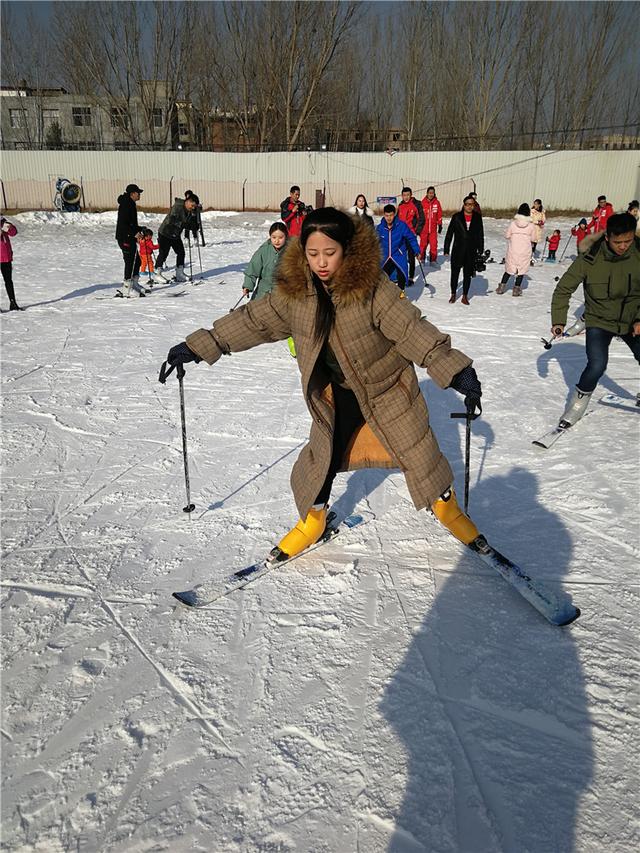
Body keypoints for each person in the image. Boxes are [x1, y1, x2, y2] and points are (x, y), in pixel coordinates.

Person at [164, 207, 483, 561]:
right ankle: (313, 519)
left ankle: (446, 506)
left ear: (346, 248)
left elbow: (412, 330)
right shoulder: (296, 295)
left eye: (330, 253)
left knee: (419, 450)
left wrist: (455, 370)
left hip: (387, 388)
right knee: (323, 460)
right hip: (337, 392)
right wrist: (200, 344)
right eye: (313, 254)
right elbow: (254, 320)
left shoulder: (372, 289)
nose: (321, 262)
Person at [549, 212, 640, 427]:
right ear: (607, 237)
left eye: (628, 241)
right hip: (599, 320)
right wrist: (559, 320)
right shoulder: (589, 259)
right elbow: (563, 289)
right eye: (618, 242)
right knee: (597, 365)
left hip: (631, 319)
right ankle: (577, 405)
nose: (624, 246)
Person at [443, 195, 484, 305]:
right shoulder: (456, 217)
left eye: (472, 204)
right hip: (458, 249)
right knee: (455, 273)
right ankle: (453, 294)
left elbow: (480, 233)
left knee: (467, 274)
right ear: (464, 205)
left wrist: (480, 248)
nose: (470, 207)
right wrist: (446, 248)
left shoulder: (477, 217)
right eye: (468, 204)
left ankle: (465, 295)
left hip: (471, 250)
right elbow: (450, 233)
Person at [376, 203, 420, 296]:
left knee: (402, 275)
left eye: (391, 215)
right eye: (387, 215)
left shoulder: (401, 225)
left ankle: (401, 295)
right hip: (386, 256)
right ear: (384, 215)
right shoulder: (380, 228)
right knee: (383, 277)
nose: (389, 218)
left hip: (398, 255)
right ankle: (385, 297)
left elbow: (411, 238)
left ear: (394, 214)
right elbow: (374, 242)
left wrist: (417, 251)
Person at [156, 194, 199, 282]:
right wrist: (183, 224)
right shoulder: (178, 206)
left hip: (175, 234)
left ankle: (179, 273)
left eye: (194, 206)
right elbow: (171, 220)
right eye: (192, 205)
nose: (193, 208)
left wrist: (193, 225)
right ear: (188, 202)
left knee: (181, 252)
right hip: (165, 232)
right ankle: (157, 273)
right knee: (163, 253)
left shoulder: (190, 211)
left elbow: (188, 222)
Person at [242, 222, 288, 301]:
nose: (277, 241)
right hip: (263, 292)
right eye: (274, 237)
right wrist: (247, 286)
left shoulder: (291, 251)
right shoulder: (263, 251)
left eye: (280, 237)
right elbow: (253, 269)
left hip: (283, 294)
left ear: (286, 237)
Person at [496, 203, 535, 296]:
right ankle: (516, 290)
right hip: (525, 250)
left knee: (509, 269)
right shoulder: (531, 225)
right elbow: (533, 238)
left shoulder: (513, 224)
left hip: (513, 249)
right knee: (521, 270)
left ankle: (501, 287)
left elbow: (507, 235)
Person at [115, 183, 145, 297]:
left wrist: (140, 229)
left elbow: (131, 223)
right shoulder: (126, 204)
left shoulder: (130, 203)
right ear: (132, 194)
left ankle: (134, 284)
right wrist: (134, 233)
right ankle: (127, 288)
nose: (139, 195)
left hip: (129, 236)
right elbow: (123, 224)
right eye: (138, 193)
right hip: (124, 238)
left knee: (137, 261)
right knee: (130, 262)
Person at [397, 187, 424, 284]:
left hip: (411, 234)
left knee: (411, 256)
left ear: (411, 195)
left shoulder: (416, 204)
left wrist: (416, 231)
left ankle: (411, 276)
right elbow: (397, 220)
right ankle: (402, 274)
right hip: (401, 235)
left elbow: (421, 219)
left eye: (408, 195)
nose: (406, 197)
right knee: (401, 255)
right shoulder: (400, 205)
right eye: (404, 195)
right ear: (402, 196)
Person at [1, 215, 22, 310]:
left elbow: (13, 233)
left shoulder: (3, 223)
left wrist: (9, 227)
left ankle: (13, 303)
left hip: (5, 257)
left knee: (8, 281)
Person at [419, 186, 443, 264]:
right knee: (423, 245)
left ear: (434, 193)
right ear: (427, 193)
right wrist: (418, 227)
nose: (431, 194)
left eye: (432, 193)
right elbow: (419, 216)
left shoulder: (437, 203)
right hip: (424, 229)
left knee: (433, 245)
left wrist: (440, 224)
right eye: (429, 193)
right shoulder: (422, 203)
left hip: (433, 229)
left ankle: (433, 260)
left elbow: (439, 214)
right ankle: (422, 258)